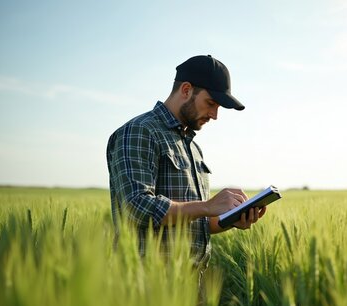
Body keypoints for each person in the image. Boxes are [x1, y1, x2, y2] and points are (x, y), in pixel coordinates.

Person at [106, 55, 266, 268]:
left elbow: (195, 220)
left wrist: (230, 220)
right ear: (186, 90)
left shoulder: (192, 146)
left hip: (192, 284)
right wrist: (208, 206)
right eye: (211, 103)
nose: (215, 115)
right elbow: (137, 207)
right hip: (146, 286)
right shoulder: (139, 131)